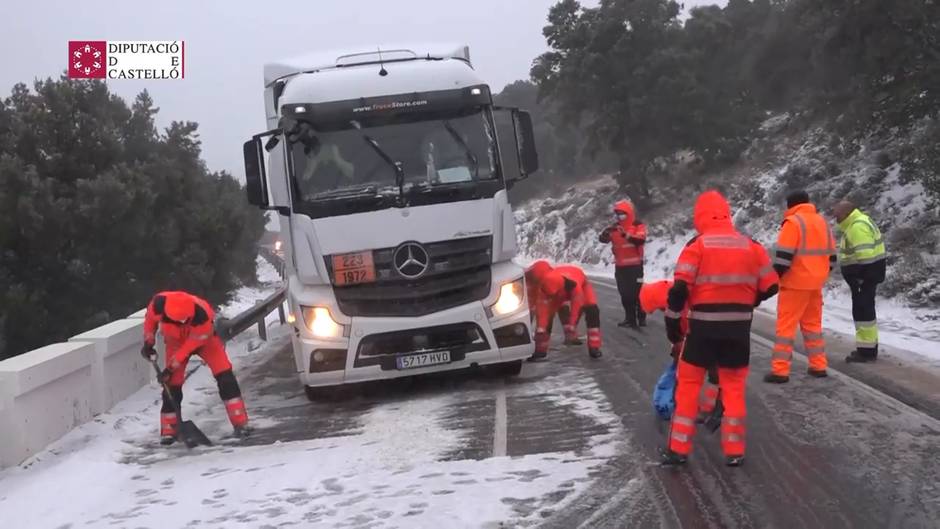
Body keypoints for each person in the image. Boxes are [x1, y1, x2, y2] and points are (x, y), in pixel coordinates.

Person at [661, 190, 779, 467]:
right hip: (738, 332)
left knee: (688, 387)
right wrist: (748, 301)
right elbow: (771, 285)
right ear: (727, 213)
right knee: (734, 388)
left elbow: (679, 290)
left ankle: (678, 449)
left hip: (702, 329)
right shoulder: (751, 246)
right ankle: (734, 451)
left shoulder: (697, 245)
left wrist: (672, 324)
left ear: (700, 216)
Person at [140, 291, 250, 445]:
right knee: (172, 386)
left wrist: (169, 368)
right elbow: (150, 321)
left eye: (184, 321)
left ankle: (241, 424)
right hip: (175, 342)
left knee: (225, 376)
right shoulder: (158, 305)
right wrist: (148, 342)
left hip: (205, 342)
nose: (181, 324)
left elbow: (187, 350)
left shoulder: (202, 317)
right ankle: (169, 431)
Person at [766, 190, 837, 383]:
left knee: (785, 329)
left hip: (794, 284)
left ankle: (780, 371)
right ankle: (818, 365)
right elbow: (832, 257)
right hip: (815, 285)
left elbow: (783, 259)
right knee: (813, 327)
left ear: (790, 205)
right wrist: (819, 274)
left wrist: (773, 279)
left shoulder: (793, 223)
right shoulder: (822, 222)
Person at [640, 280, 721, 426]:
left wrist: (682, 351)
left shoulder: (678, 306)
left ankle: (717, 408)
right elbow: (681, 333)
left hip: (715, 331)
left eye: (658, 309)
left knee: (714, 370)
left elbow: (688, 330)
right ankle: (711, 407)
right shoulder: (675, 300)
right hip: (712, 329)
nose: (659, 312)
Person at [833, 201, 887, 363]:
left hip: (864, 279)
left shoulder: (856, 227)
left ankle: (866, 351)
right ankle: (868, 348)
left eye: (837, 214)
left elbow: (865, 256)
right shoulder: (860, 222)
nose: (835, 217)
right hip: (866, 277)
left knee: (863, 313)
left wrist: (861, 279)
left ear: (846, 213)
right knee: (865, 312)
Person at [532, 265, 603, 361]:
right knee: (547, 318)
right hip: (555, 289)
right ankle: (540, 350)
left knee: (592, 310)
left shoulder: (574, 285)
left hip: (581, 285)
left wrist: (572, 325)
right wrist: (541, 327)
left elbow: (577, 306)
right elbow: (542, 310)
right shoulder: (544, 287)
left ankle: (594, 347)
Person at [599, 200, 647, 328]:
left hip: (636, 266)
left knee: (637, 293)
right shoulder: (614, 227)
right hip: (620, 267)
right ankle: (630, 319)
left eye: (622, 213)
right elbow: (603, 240)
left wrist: (625, 234)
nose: (620, 216)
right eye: (618, 214)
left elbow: (640, 240)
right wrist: (605, 233)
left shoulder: (637, 225)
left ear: (628, 213)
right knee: (624, 294)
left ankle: (641, 315)